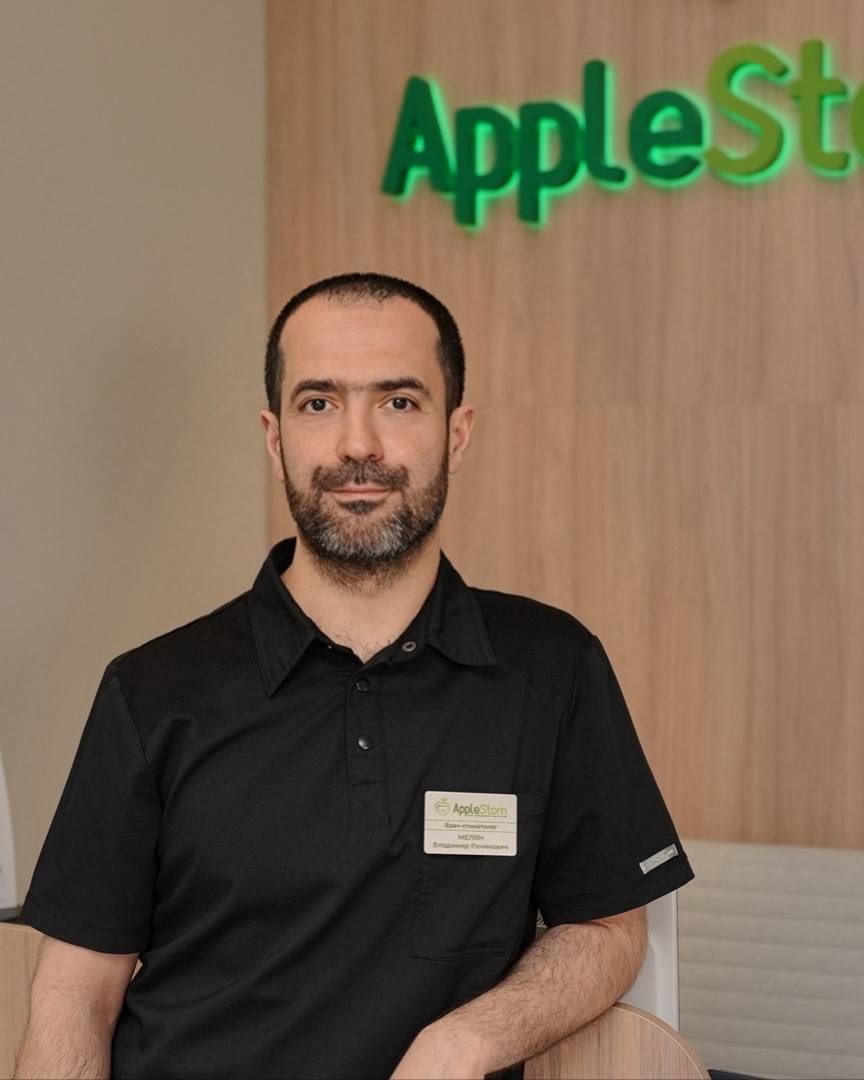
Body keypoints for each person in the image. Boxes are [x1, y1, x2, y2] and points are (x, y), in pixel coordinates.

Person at [15, 271, 694, 1080]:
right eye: (319, 403)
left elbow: (609, 928)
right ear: (275, 438)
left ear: (457, 433)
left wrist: (467, 1041)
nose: (358, 445)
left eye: (399, 402)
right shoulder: (153, 690)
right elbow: (76, 995)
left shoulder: (551, 669)